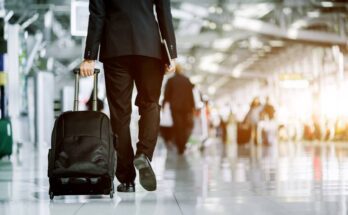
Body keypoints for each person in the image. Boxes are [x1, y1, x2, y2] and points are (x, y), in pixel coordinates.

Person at [80, 0, 177, 192]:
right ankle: (144, 154)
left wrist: (90, 56)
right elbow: (164, 11)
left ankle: (126, 179)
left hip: (116, 49)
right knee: (150, 104)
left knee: (120, 114)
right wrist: (171, 53)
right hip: (149, 48)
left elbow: (97, 15)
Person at [163, 64, 195, 155]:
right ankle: (183, 144)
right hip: (186, 108)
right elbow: (191, 95)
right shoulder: (187, 80)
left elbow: (167, 95)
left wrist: (164, 105)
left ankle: (180, 146)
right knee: (185, 127)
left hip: (175, 107)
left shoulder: (170, 80)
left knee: (178, 127)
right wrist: (193, 106)